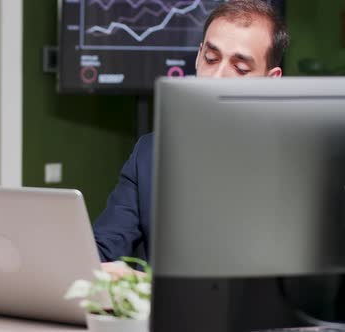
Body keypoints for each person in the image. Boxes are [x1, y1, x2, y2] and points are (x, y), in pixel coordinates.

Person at [94, 0, 290, 275]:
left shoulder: (296, 167)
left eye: (240, 68)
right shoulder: (150, 153)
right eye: (211, 58)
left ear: (271, 80)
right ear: (198, 57)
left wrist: (146, 287)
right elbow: (102, 249)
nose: (218, 77)